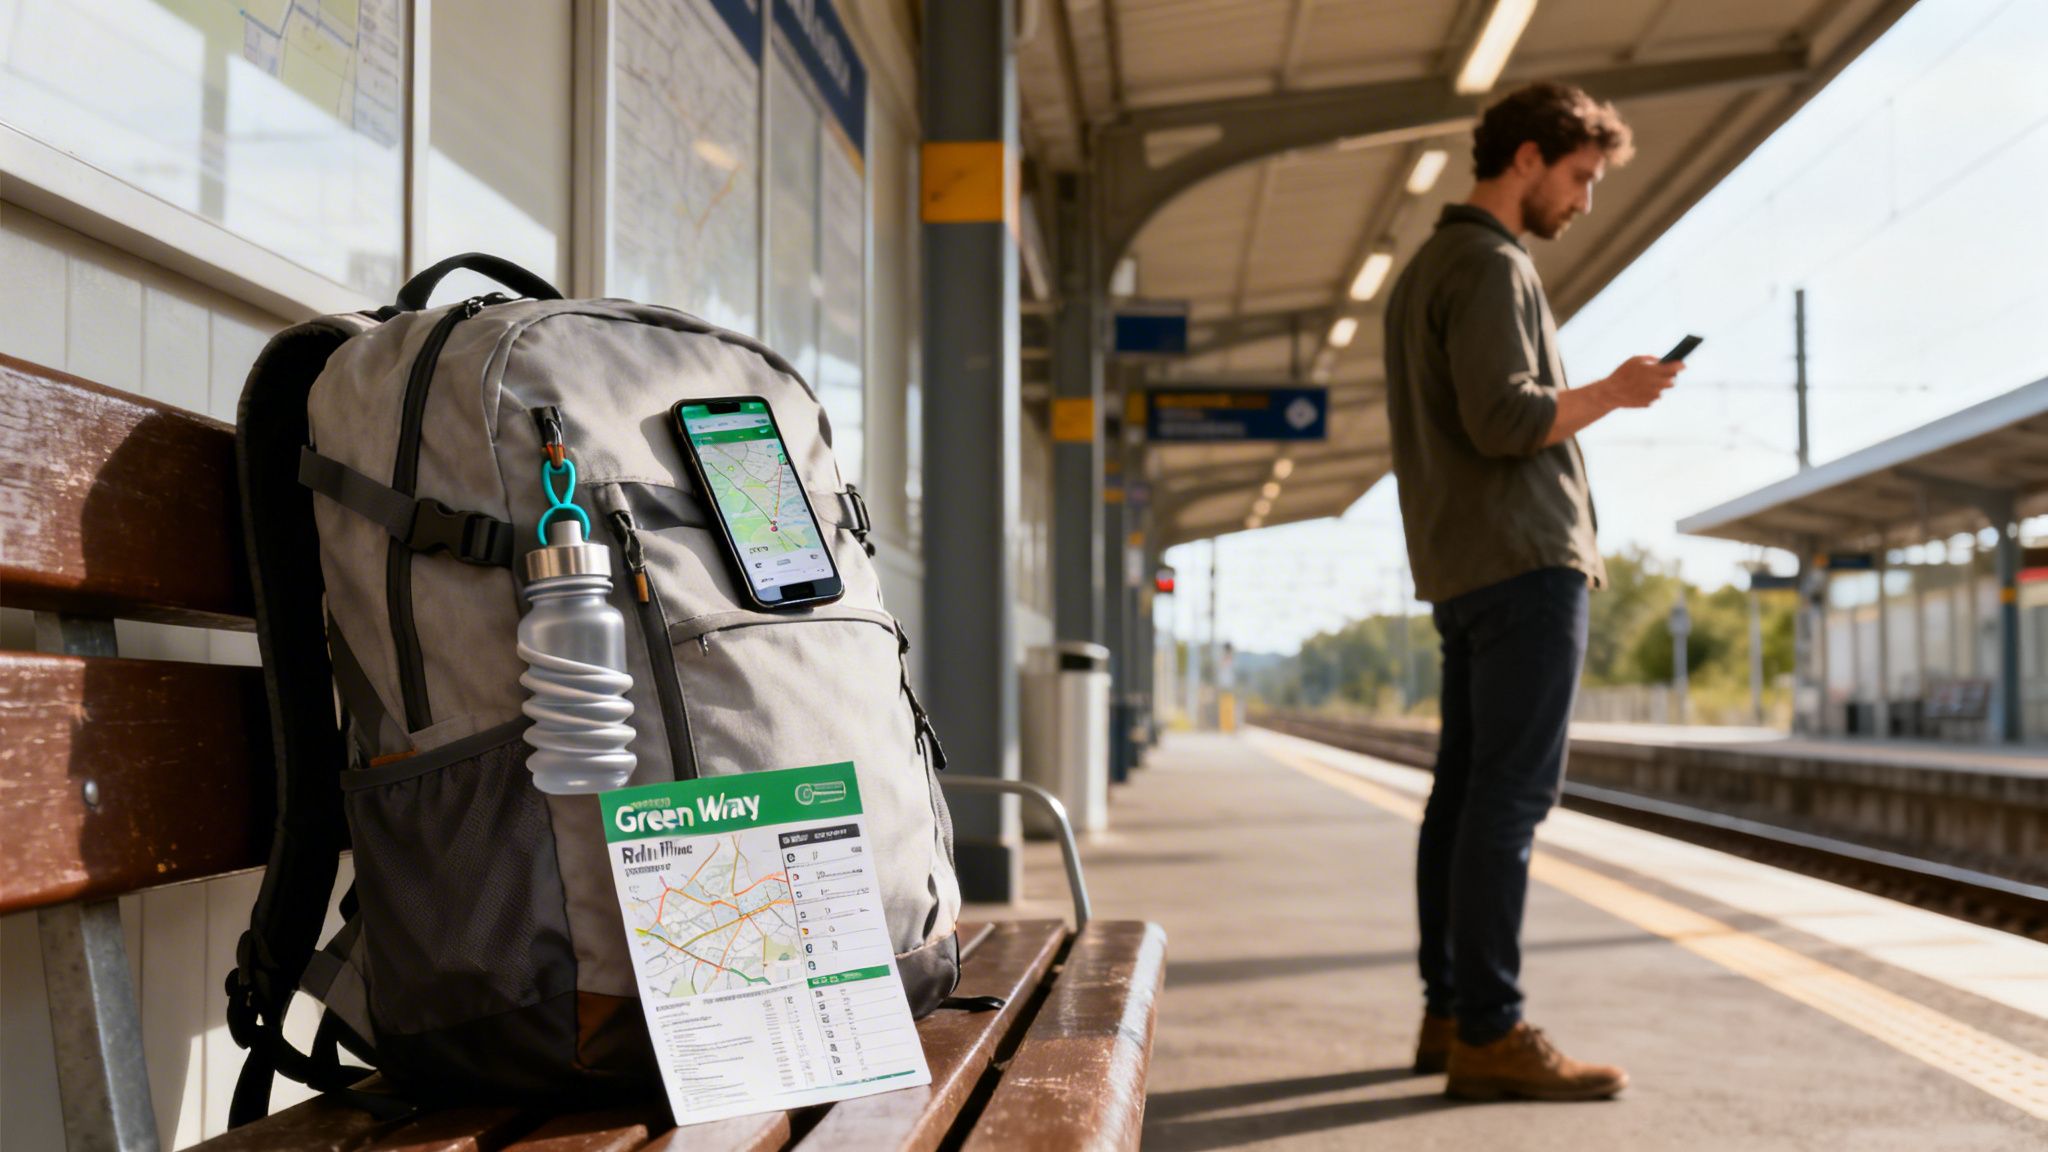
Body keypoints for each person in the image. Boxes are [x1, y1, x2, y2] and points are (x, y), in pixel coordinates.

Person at [1381, 81, 1683, 1101]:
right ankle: (1490, 1029)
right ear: (1524, 160)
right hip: (1521, 561)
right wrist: (1613, 391)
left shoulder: (1432, 266)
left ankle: (1449, 1009)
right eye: (1579, 178)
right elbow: (1504, 420)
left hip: (1467, 566)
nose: (1583, 202)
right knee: (1504, 804)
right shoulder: (1486, 264)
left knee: (1461, 800)